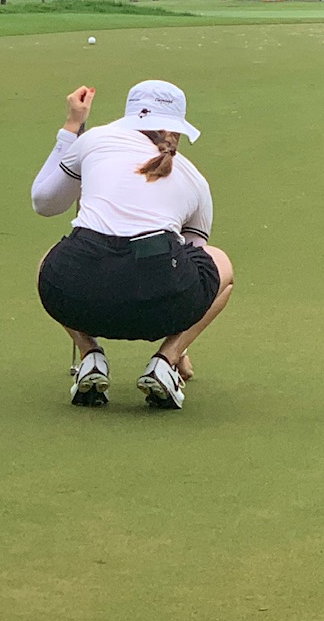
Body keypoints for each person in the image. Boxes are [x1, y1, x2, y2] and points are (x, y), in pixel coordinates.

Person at [29, 79, 234, 410]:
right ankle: (166, 361)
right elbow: (194, 262)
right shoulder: (195, 179)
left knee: (49, 263)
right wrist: (182, 343)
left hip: (77, 297)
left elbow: (44, 203)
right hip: (159, 307)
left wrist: (71, 126)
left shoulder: (93, 139)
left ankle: (90, 355)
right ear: (177, 129)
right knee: (219, 263)